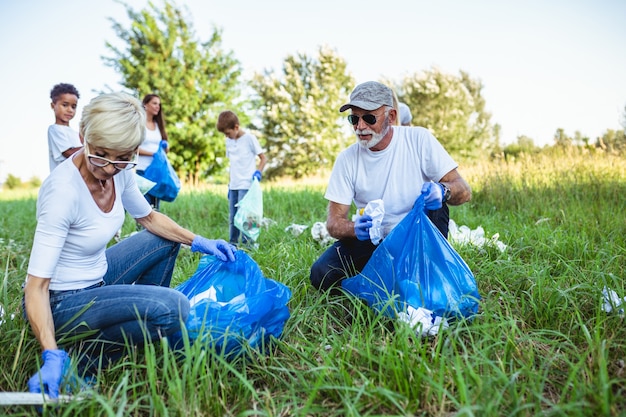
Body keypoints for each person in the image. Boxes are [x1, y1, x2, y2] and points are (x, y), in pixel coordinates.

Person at [23, 92, 237, 399]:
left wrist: (199, 241)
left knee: (163, 240)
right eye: (100, 154)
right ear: (84, 137)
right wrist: (50, 353)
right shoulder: (62, 192)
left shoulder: (119, 172)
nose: (110, 167)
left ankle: (140, 326)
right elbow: (36, 286)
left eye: (122, 157)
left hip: (96, 280)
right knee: (174, 307)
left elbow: (149, 218)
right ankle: (82, 359)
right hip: (60, 303)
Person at [309, 81, 472, 293]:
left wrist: (442, 191)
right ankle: (370, 290)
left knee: (437, 207)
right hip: (374, 240)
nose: (360, 126)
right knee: (321, 273)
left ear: (391, 116)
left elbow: (464, 190)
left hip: (417, 234)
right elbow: (333, 223)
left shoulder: (418, 139)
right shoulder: (347, 159)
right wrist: (355, 229)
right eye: (354, 119)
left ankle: (417, 275)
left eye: (369, 118)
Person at [216, 110, 268, 246]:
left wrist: (258, 172)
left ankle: (248, 245)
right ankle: (232, 244)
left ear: (236, 127)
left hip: (246, 184)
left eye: (228, 133)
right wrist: (229, 184)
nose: (227, 136)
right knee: (233, 218)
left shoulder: (250, 138)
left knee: (246, 217)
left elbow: (263, 158)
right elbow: (233, 164)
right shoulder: (229, 141)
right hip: (234, 184)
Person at [136, 93, 169, 211]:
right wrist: (153, 154)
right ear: (145, 105)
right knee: (143, 208)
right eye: (154, 103)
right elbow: (134, 148)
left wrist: (165, 149)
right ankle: (140, 229)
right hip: (142, 171)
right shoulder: (139, 124)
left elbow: (163, 148)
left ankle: (153, 230)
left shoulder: (158, 125)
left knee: (154, 209)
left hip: (157, 172)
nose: (157, 107)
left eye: (159, 104)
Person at [47, 83, 83, 172]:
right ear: (53, 105)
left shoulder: (75, 133)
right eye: (65, 105)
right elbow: (69, 153)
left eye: (73, 107)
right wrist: (92, 147)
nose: (70, 110)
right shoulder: (54, 129)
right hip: (63, 181)